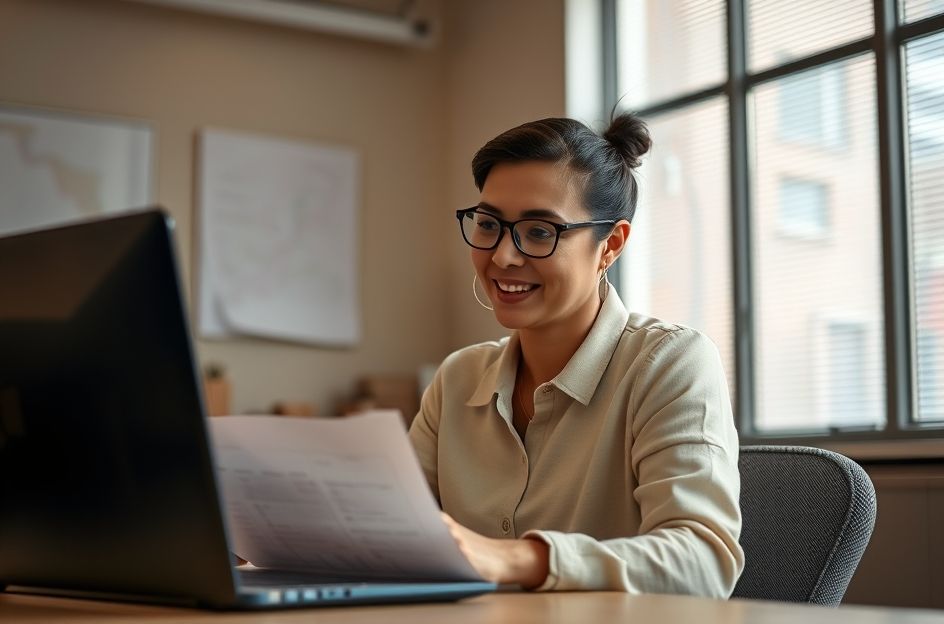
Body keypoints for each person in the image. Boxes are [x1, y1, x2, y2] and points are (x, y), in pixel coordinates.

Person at [408, 113, 744, 596]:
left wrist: (519, 558)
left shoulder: (672, 363)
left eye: (540, 231)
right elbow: (389, 531)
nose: (503, 256)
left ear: (610, 245)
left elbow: (703, 562)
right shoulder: (458, 377)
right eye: (488, 224)